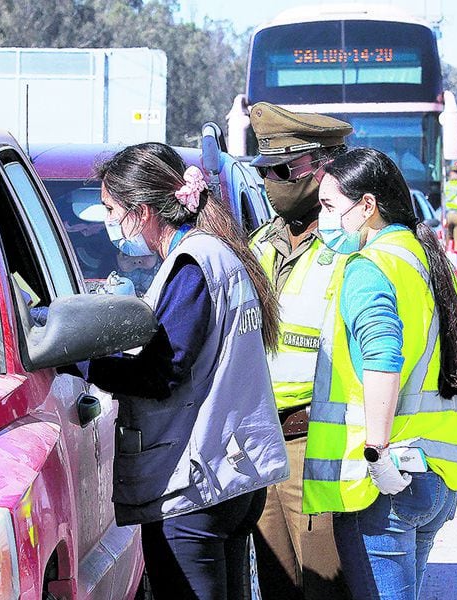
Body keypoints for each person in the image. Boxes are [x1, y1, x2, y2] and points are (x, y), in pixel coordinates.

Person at [86, 142, 289, 600]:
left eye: (109, 209)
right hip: (230, 470)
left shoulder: (191, 265)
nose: (108, 222)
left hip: (197, 480)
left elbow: (162, 374)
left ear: (141, 211)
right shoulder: (216, 254)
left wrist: (80, 360)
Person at [303, 148, 457, 599]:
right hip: (439, 477)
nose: (322, 220)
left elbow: (382, 358)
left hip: (385, 483)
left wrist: (376, 452)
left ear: (367, 206)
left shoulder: (369, 268)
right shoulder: (429, 261)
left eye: (330, 207)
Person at [248, 101, 353, 600]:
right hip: (261, 444)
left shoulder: (351, 248)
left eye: (284, 169)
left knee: (325, 587)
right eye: (264, 170)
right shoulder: (260, 244)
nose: (272, 181)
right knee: (277, 587)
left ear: (322, 166)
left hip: (318, 443)